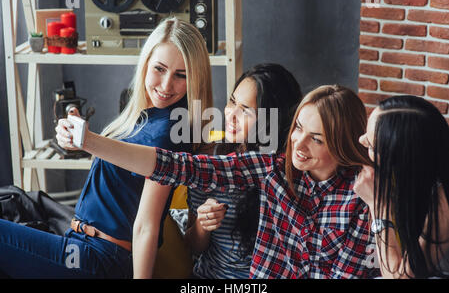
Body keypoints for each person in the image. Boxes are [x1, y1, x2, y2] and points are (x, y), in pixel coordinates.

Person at [56, 84, 381, 279]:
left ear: (343, 144)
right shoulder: (274, 169)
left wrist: (378, 207)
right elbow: (179, 166)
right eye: (298, 129)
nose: (299, 144)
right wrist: (90, 141)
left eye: (317, 139)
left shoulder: (365, 198)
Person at [0, 17, 213, 278]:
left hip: (98, 259)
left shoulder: (171, 131)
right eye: (159, 68)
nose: (167, 85)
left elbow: (146, 224)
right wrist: (74, 135)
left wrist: (88, 141)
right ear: (146, 64)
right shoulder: (143, 116)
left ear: (196, 79)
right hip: (81, 244)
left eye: (181, 75)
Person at [184, 63, 303, 278]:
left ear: (272, 120)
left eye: (246, 110)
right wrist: (203, 225)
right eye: (232, 101)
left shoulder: (289, 171)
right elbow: (193, 246)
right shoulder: (209, 159)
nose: (231, 115)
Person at [354, 95, 449, 279]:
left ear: (401, 160)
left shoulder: (444, 199)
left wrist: (378, 204)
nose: (361, 140)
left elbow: (399, 277)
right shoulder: (417, 177)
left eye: (372, 146)